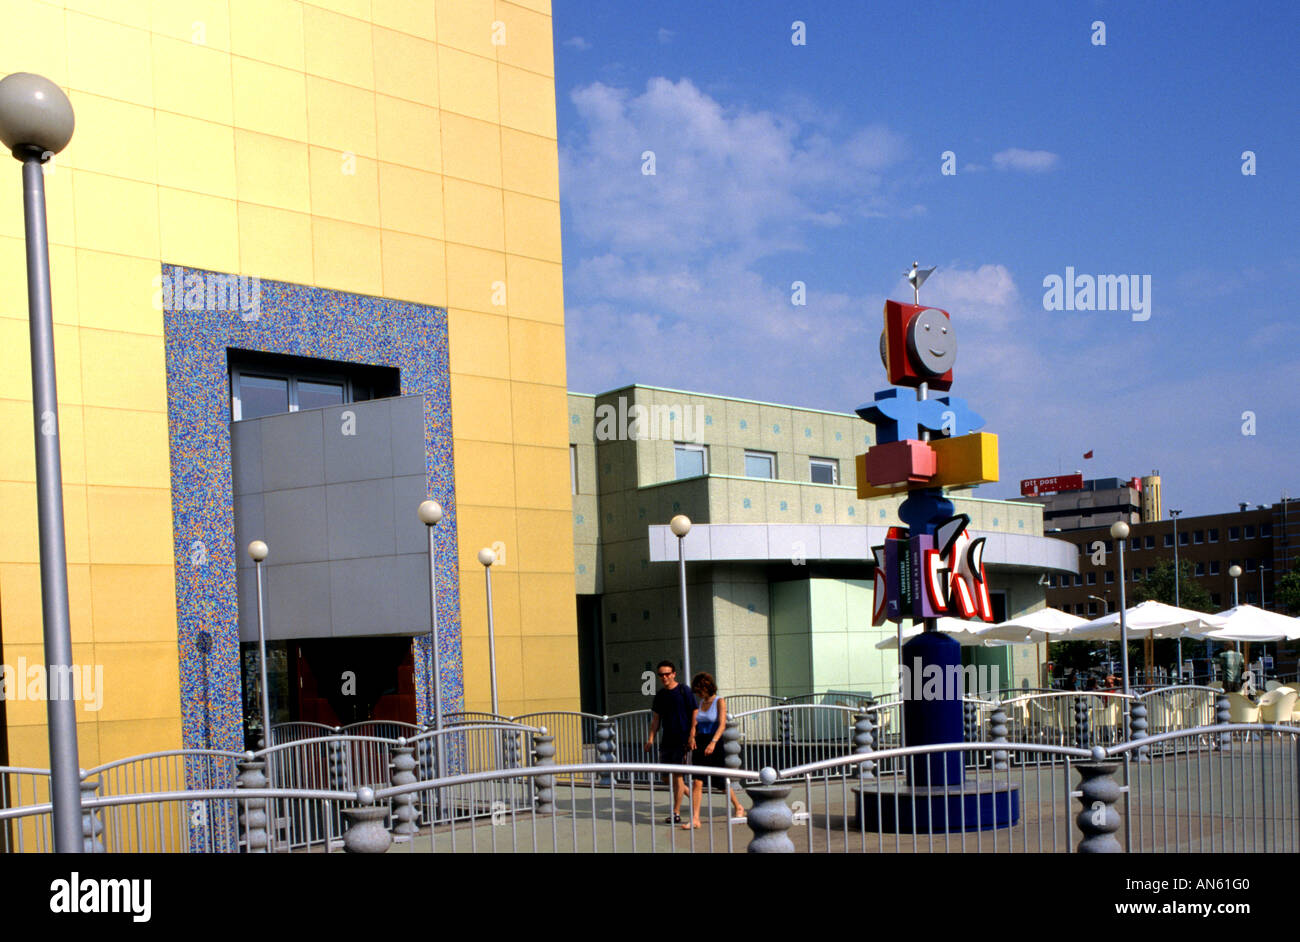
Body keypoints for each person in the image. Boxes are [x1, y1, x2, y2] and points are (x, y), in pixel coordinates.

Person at [683, 672, 746, 828]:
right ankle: (695, 818)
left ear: (707, 687)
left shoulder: (719, 701)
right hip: (700, 741)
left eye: (700, 689)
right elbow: (695, 724)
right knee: (697, 781)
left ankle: (738, 806)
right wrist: (691, 738)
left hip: (714, 742)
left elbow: (722, 724)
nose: (699, 693)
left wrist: (713, 742)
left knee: (722, 783)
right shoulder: (700, 703)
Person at [644, 660, 697, 824]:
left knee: (678, 776)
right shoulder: (660, 695)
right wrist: (651, 738)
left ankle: (676, 812)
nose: (664, 677)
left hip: (682, 740)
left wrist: (692, 735)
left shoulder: (684, 691)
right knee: (666, 777)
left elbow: (695, 712)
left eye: (667, 674)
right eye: (661, 675)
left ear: (674, 674)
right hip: (667, 740)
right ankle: (687, 793)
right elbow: (656, 719)